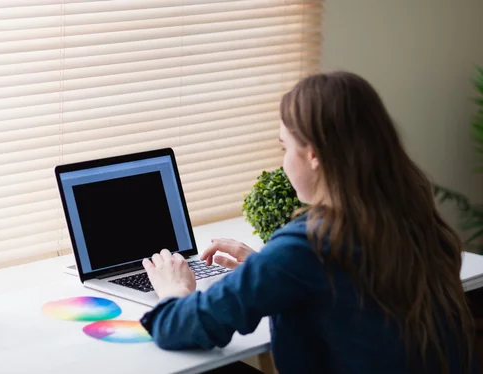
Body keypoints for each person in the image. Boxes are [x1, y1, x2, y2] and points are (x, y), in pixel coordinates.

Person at [138, 71, 477, 374]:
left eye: (285, 147)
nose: (284, 161)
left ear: (313, 155)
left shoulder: (308, 246)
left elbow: (178, 327)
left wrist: (174, 290)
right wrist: (264, 267)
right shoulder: (414, 219)